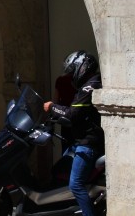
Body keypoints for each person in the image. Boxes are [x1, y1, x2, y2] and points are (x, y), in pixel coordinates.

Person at [44, 51, 104, 216]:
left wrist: (52, 107)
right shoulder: (92, 82)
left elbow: (73, 113)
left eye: (73, 70)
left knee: (75, 184)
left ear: (83, 66)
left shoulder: (89, 86)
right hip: (82, 140)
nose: (71, 75)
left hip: (88, 143)